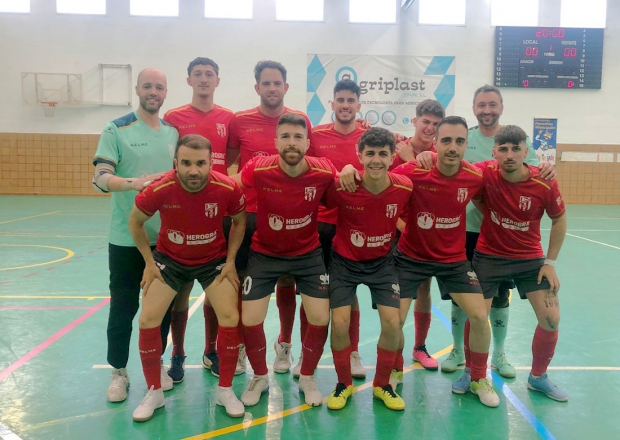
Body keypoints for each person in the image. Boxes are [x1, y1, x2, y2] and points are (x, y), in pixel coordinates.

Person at [343, 116, 500, 407]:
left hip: (453, 261)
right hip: (410, 258)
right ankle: (394, 369)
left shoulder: (474, 176)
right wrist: (349, 167)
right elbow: (376, 176)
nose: (453, 147)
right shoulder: (413, 172)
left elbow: (493, 187)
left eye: (460, 141)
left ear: (467, 144)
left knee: (480, 316)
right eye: (446, 141)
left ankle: (478, 377)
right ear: (435, 143)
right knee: (395, 321)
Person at [128, 134, 247, 421]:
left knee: (230, 317)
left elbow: (240, 220)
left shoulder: (226, 187)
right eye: (186, 163)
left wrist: (230, 262)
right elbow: (135, 221)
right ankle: (154, 392)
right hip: (170, 260)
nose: (193, 170)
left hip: (212, 261)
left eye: (200, 163)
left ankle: (225, 390)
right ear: (175, 163)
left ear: (210, 163)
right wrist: (148, 262)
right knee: (147, 319)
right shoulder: (161, 188)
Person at [229, 113, 335, 407]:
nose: (292, 143)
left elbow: (350, 186)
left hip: (308, 253)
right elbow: (228, 184)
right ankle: (260, 376)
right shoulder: (259, 168)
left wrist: (352, 167)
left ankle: (308, 376)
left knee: (320, 316)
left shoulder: (323, 171)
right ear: (275, 142)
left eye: (298, 137)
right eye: (286, 136)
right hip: (265, 253)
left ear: (308, 143)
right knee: (249, 318)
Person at [441, 84, 542, 377]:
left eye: (492, 105)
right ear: (474, 109)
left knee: (499, 297)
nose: (487, 110)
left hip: (503, 238)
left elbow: (533, 175)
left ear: (501, 107)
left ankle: (499, 352)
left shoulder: (518, 142)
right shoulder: (463, 139)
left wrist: (546, 169)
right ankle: (458, 349)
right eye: (481, 105)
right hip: (465, 232)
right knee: (462, 296)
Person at [462, 125, 567, 401]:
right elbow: (464, 180)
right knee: (476, 317)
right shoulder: (485, 173)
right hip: (489, 257)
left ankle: (538, 377)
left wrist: (550, 262)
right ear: (494, 151)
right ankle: (472, 372)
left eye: (516, 148)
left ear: (526, 151)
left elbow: (559, 218)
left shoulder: (543, 181)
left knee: (551, 318)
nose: (509, 154)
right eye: (504, 149)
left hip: (530, 259)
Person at [92, 68, 178, 403]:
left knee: (161, 310)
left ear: (166, 92)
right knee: (123, 306)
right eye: (147, 86)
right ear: (137, 90)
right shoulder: (116, 128)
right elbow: (101, 177)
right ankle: (119, 372)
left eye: (159, 86)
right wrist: (134, 184)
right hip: (127, 238)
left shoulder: (173, 132)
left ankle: (154, 367)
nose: (153, 91)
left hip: (166, 239)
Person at [228, 60, 313, 376]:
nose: (272, 88)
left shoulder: (299, 121)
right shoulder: (240, 121)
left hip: (289, 217)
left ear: (286, 87)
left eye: (278, 83)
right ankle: (239, 347)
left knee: (288, 282)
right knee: (242, 285)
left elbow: (309, 163)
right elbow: (232, 165)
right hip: (248, 216)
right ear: (257, 87)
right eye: (266, 83)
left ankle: (285, 343)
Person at [163, 57, 240, 382]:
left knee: (216, 287)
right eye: (198, 74)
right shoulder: (173, 117)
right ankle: (178, 352)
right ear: (189, 79)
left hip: (218, 215)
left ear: (218, 80)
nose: (204, 79)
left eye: (210, 74)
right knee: (179, 291)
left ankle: (211, 350)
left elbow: (234, 158)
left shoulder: (229, 118)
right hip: (182, 215)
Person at [324, 127, 412, 411]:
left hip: (382, 263)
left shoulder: (404, 187)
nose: (376, 160)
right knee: (338, 322)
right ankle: (343, 383)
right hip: (343, 262)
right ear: (359, 155)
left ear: (392, 156)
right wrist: (343, 170)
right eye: (370, 154)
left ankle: (383, 384)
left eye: (383, 154)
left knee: (392, 322)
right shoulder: (343, 186)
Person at [393, 99, 445, 371]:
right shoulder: (395, 148)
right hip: (394, 233)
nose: (430, 128)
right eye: (425, 121)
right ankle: (394, 352)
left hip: (425, 235)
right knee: (395, 295)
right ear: (414, 121)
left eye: (436, 124)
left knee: (424, 289)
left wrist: (410, 161)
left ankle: (419, 346)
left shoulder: (441, 155)